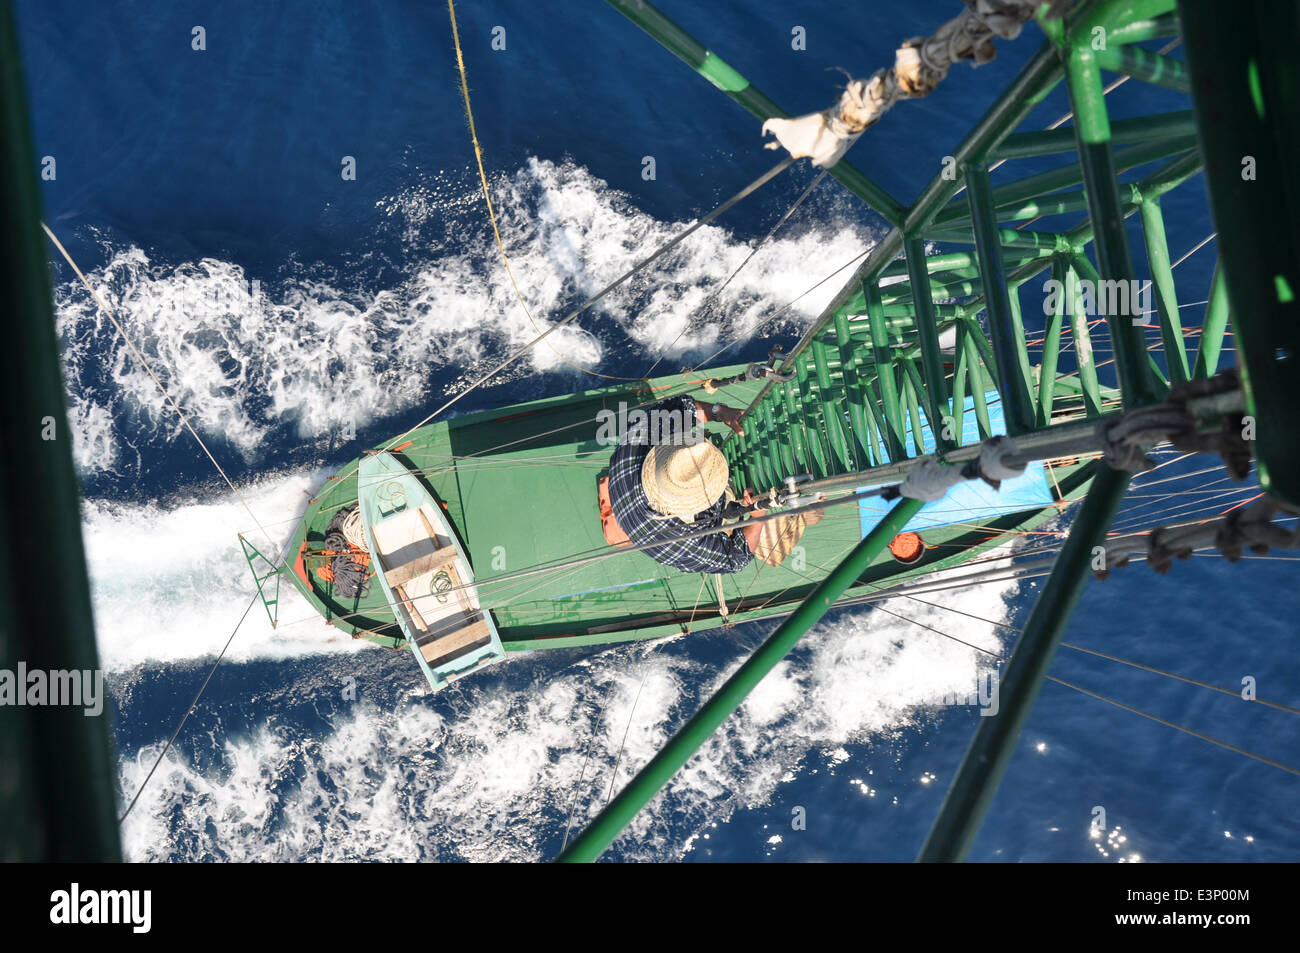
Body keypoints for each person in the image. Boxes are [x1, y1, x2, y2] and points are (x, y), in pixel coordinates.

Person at [607, 394, 767, 574]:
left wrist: (718, 412)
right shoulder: (686, 540)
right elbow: (737, 557)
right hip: (624, 498)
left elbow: (682, 407)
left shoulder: (639, 439)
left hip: (626, 500)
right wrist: (758, 515)